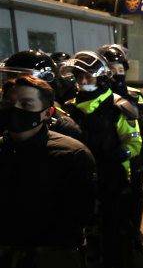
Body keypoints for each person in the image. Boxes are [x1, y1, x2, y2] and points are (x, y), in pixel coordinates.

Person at [0, 75, 96, 268]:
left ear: (47, 113)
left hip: (52, 256)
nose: (14, 110)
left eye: (26, 104)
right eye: (8, 103)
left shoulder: (71, 154)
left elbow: (80, 214)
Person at [60, 51, 142, 268]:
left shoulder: (118, 107)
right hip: (79, 179)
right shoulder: (68, 107)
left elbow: (134, 143)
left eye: (88, 76)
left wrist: (119, 156)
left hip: (113, 180)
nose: (83, 81)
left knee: (114, 232)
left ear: (101, 78)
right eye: (79, 77)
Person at [97, 43, 143, 253]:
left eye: (120, 69)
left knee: (135, 200)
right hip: (111, 159)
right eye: (112, 70)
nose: (117, 74)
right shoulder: (98, 97)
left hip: (136, 157)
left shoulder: (135, 95)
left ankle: (134, 233)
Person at [0, 50, 82, 140]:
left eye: (23, 79)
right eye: (9, 76)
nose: (13, 84)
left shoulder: (63, 127)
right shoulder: (4, 116)